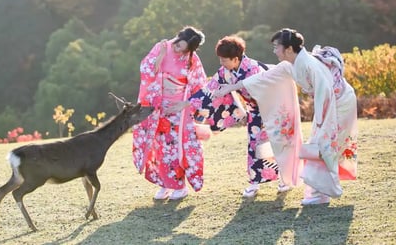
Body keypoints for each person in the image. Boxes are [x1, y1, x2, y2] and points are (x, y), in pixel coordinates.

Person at [215, 28, 358, 205]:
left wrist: (321, 122)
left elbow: (325, 92)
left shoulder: (309, 64)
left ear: (289, 49)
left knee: (324, 143)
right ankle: (320, 192)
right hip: (329, 106)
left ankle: (323, 192)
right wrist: (231, 87)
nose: (274, 51)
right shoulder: (290, 65)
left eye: (277, 47)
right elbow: (263, 78)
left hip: (340, 103)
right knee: (321, 144)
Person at [169, 36, 303, 198]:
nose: (221, 63)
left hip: (273, 108)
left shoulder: (253, 69)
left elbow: (265, 89)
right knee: (255, 145)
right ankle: (254, 182)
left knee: (276, 144)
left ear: (236, 58)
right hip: (255, 111)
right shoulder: (226, 71)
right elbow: (208, 90)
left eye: (224, 60)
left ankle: (285, 179)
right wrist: (185, 104)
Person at [132, 26, 208, 200]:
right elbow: (145, 69)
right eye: (178, 45)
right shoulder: (162, 47)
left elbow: (200, 85)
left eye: (183, 49)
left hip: (178, 111)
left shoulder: (191, 59)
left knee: (174, 148)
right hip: (158, 108)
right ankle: (164, 184)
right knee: (159, 146)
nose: (178, 50)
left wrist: (185, 104)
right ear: (178, 37)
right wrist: (158, 59)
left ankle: (179, 186)